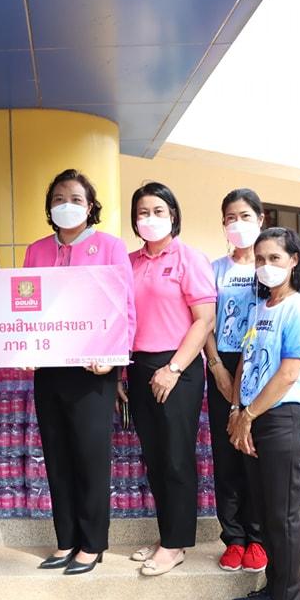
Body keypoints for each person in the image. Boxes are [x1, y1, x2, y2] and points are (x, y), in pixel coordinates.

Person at [23, 169, 135, 575]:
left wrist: (114, 357)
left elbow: (125, 308)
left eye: (75, 198)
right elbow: (25, 307)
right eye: (58, 198)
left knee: (90, 458)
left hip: (93, 372)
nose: (65, 205)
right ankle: (65, 539)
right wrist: (22, 343)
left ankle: (92, 543)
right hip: (49, 369)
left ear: (90, 207)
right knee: (57, 456)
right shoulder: (36, 250)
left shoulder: (111, 247)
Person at [123, 182, 216, 577]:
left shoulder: (189, 259)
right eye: (143, 212)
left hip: (178, 367)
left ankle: (176, 544)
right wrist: (119, 372)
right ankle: (167, 536)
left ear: (173, 215)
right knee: (155, 457)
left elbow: (204, 320)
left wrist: (173, 369)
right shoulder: (128, 262)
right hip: (138, 365)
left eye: (158, 211)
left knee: (176, 457)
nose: (150, 218)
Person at [227, 227, 300, 600]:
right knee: (265, 513)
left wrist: (248, 415)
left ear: (294, 260)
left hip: (282, 420)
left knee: (282, 516)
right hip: (253, 417)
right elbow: (246, 362)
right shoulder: (260, 307)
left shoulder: (299, 309)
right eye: (260, 259)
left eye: (275, 258)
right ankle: (272, 590)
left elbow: (288, 373)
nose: (266, 266)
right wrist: (237, 410)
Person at [204, 189, 267, 574]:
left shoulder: (270, 267)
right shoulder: (215, 269)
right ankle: (234, 538)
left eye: (245, 216)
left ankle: (257, 537)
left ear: (260, 219)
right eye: (230, 218)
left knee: (254, 452)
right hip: (222, 364)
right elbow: (204, 321)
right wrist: (217, 368)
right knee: (226, 453)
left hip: (259, 365)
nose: (237, 224)